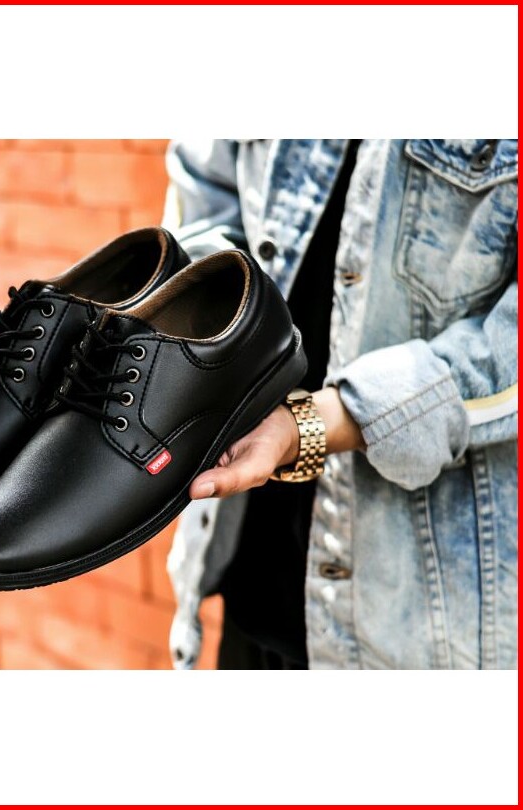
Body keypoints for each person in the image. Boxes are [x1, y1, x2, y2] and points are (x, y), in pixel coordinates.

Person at [163, 140, 518, 669]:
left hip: (426, 620)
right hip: (252, 582)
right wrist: (202, 327)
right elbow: (205, 184)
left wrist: (317, 422)